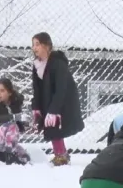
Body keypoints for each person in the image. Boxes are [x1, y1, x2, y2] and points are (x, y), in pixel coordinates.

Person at [31, 32, 85, 166]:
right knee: (51, 126)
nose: (34, 48)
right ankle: (60, 153)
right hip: (48, 100)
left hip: (64, 101)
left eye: (37, 44)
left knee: (55, 125)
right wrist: (36, 107)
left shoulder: (58, 63)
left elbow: (62, 88)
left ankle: (61, 155)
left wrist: (54, 110)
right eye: (33, 45)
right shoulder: (38, 65)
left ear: (47, 45)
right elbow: (36, 89)